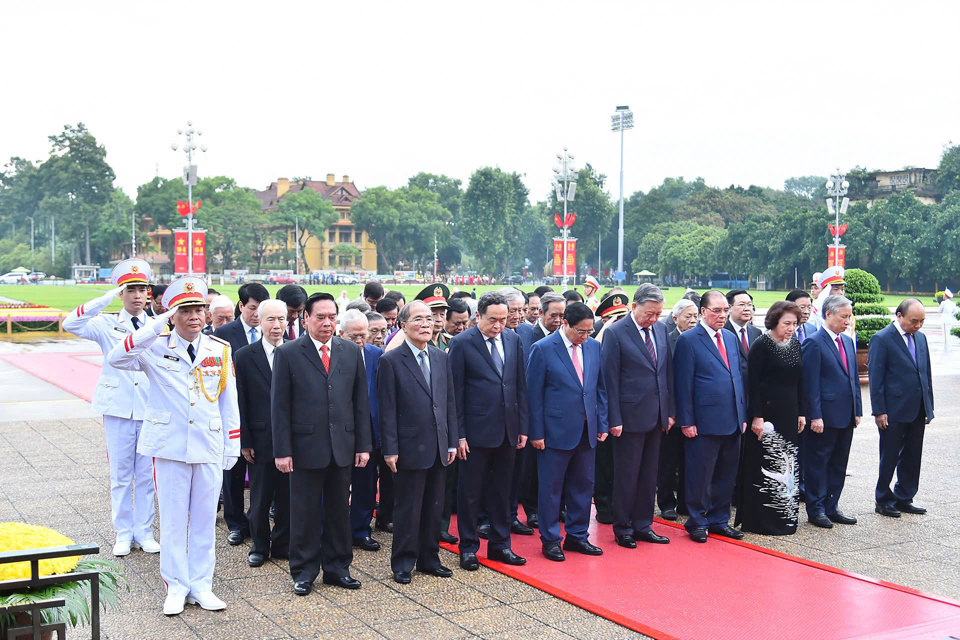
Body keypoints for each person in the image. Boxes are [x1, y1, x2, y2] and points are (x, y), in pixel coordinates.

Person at [107, 277, 239, 615]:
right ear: (172, 314)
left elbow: (228, 401)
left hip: (207, 443)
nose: (195, 316)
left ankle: (201, 584)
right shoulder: (154, 346)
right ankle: (176, 586)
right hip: (169, 446)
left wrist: (231, 443)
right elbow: (115, 359)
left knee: (205, 520)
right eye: (186, 310)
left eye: (200, 310)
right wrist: (153, 328)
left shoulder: (219, 349)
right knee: (174, 520)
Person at [271, 292, 373, 595]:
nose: (327, 323)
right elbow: (279, 406)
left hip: (342, 445)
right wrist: (282, 451)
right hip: (305, 447)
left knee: (340, 510)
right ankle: (303, 571)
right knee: (304, 512)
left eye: (332, 317)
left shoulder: (350, 351)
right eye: (320, 317)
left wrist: (362, 445)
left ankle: (338, 568)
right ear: (306, 319)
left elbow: (359, 402)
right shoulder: (288, 353)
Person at [63, 258, 159, 556]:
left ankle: (144, 531)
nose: (137, 295)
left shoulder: (159, 325)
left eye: (142, 289)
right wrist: (103, 299)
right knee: (120, 475)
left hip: (148, 406)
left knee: (145, 476)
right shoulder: (106, 324)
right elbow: (71, 323)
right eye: (130, 289)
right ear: (121, 293)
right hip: (117, 407)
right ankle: (123, 532)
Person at [378, 301, 458, 584]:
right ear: (402, 325)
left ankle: (429, 558)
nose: (426, 324)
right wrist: (390, 448)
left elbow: (449, 401)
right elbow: (386, 409)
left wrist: (451, 441)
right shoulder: (390, 360)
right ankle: (402, 562)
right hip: (408, 446)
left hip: (438, 445)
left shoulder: (440, 357)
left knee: (434, 506)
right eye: (419, 319)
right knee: (408, 508)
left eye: (430, 319)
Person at [450, 292, 529, 570]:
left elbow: (519, 385)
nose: (498, 325)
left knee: (503, 492)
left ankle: (500, 545)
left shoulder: (513, 339)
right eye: (493, 320)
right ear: (478, 317)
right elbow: (455, 394)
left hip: (508, 429)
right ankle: (468, 547)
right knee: (470, 493)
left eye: (503, 320)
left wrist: (522, 426)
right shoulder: (461, 344)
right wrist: (458, 434)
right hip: (475, 432)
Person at [526, 302, 609, 561]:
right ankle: (551, 539)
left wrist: (602, 423)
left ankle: (577, 535)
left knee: (583, 486)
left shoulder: (594, 347)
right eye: (580, 331)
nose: (585, 337)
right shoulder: (543, 349)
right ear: (565, 324)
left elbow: (600, 389)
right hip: (554, 431)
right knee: (551, 488)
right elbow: (533, 395)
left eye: (589, 331)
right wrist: (536, 432)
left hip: (587, 429)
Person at [602, 284, 674, 547]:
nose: (653, 319)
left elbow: (666, 373)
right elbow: (609, 379)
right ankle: (623, 527)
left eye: (658, 313)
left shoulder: (662, 329)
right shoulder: (616, 333)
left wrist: (670, 412)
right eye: (649, 313)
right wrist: (614, 418)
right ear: (634, 307)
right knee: (627, 474)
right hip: (628, 417)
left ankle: (644, 524)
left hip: (657, 415)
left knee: (649, 474)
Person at [673, 290, 747, 543]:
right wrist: (687, 420)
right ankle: (697, 520)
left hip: (733, 419)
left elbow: (737, 375)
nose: (722, 315)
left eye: (725, 310)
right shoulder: (689, 340)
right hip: (703, 422)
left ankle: (719, 520)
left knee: (726, 474)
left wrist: (742, 413)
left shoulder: (729, 337)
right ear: (703, 311)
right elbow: (683, 385)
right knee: (700, 475)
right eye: (717, 310)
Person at [736, 301, 806, 536]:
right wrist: (756, 416)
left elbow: (800, 381)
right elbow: (752, 384)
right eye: (787, 323)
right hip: (766, 416)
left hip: (789, 412)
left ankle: (785, 517)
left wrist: (802, 412)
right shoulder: (761, 345)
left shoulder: (796, 344)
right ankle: (761, 520)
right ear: (774, 321)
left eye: (795, 324)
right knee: (767, 464)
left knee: (788, 464)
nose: (791, 328)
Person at [234, 300, 290, 567]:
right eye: (270, 320)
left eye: (281, 319)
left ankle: (283, 543)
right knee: (260, 497)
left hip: (291, 439)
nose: (276, 326)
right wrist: (245, 441)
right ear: (259, 320)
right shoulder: (245, 356)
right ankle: (259, 545)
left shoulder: (296, 352)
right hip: (260, 438)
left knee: (288, 497)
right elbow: (241, 402)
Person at [214, 282, 270, 547]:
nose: (257, 314)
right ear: (241, 306)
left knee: (261, 474)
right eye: (252, 308)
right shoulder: (224, 333)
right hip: (232, 410)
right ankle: (235, 523)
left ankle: (257, 519)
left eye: (261, 309)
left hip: (263, 413)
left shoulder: (270, 332)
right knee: (233, 473)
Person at [869, 299, 934, 518]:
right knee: (889, 455)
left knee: (913, 455)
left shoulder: (921, 338)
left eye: (922, 321)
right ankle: (883, 498)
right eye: (914, 321)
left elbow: (925, 373)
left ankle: (905, 496)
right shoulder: (882, 339)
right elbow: (875, 377)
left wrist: (929, 406)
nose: (918, 325)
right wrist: (879, 410)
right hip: (893, 409)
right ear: (899, 316)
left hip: (917, 407)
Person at [801, 295, 861, 529]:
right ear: (828, 314)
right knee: (818, 463)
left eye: (849, 317)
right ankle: (816, 508)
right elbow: (810, 384)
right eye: (843, 316)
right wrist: (814, 415)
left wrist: (858, 409)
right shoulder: (814, 343)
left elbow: (853, 378)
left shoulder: (846, 341)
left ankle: (832, 505)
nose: (847, 321)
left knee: (839, 463)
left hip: (846, 414)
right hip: (824, 416)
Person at [517, 291, 567, 528]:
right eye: (553, 315)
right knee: (532, 467)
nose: (558, 320)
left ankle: (559, 507)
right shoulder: (526, 335)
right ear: (540, 313)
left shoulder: (568, 337)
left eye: (562, 315)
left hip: (561, 413)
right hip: (534, 410)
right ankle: (533, 509)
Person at [338, 310, 385, 551]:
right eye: (353, 336)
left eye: (363, 335)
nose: (359, 341)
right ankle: (334, 530)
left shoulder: (376, 354)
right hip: (340, 432)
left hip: (369, 432)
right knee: (336, 484)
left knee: (366, 484)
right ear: (341, 334)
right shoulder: (333, 353)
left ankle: (361, 529)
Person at [590, 293, 629, 524]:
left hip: (626, 410)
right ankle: (604, 506)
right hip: (602, 411)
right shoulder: (597, 338)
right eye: (615, 319)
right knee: (605, 463)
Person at [658, 298, 698, 521]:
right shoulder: (667, 341)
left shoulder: (701, 339)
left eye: (695, 316)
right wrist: (670, 413)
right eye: (687, 317)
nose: (693, 321)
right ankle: (666, 503)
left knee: (690, 460)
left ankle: (686, 501)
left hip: (696, 412)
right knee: (668, 461)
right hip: (673, 412)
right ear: (675, 319)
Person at [725, 289, 761, 383]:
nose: (747, 308)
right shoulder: (723, 332)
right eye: (741, 304)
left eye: (749, 305)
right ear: (729, 308)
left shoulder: (757, 332)